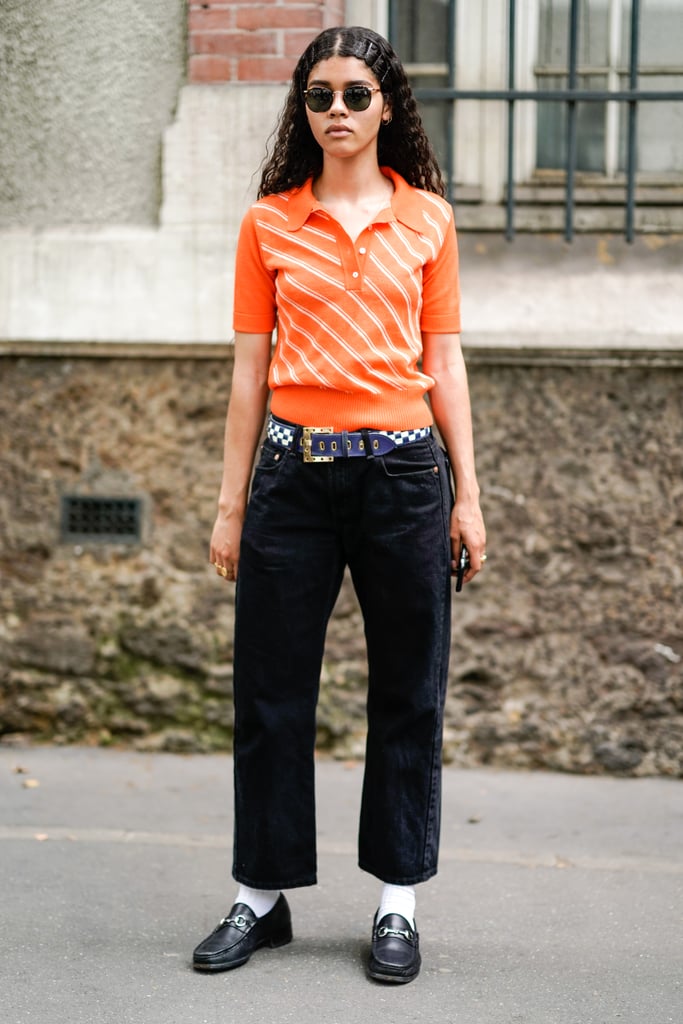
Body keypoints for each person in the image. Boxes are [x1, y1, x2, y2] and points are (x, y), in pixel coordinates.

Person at [192, 25, 486, 985]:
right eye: (319, 96)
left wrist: (466, 499)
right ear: (302, 110)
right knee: (270, 693)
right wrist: (231, 505)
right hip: (292, 477)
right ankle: (261, 896)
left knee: (409, 690)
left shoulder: (428, 222)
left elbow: (442, 364)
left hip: (404, 476)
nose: (337, 112)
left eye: (356, 94)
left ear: (388, 104)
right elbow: (248, 378)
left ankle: (396, 902)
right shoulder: (267, 224)